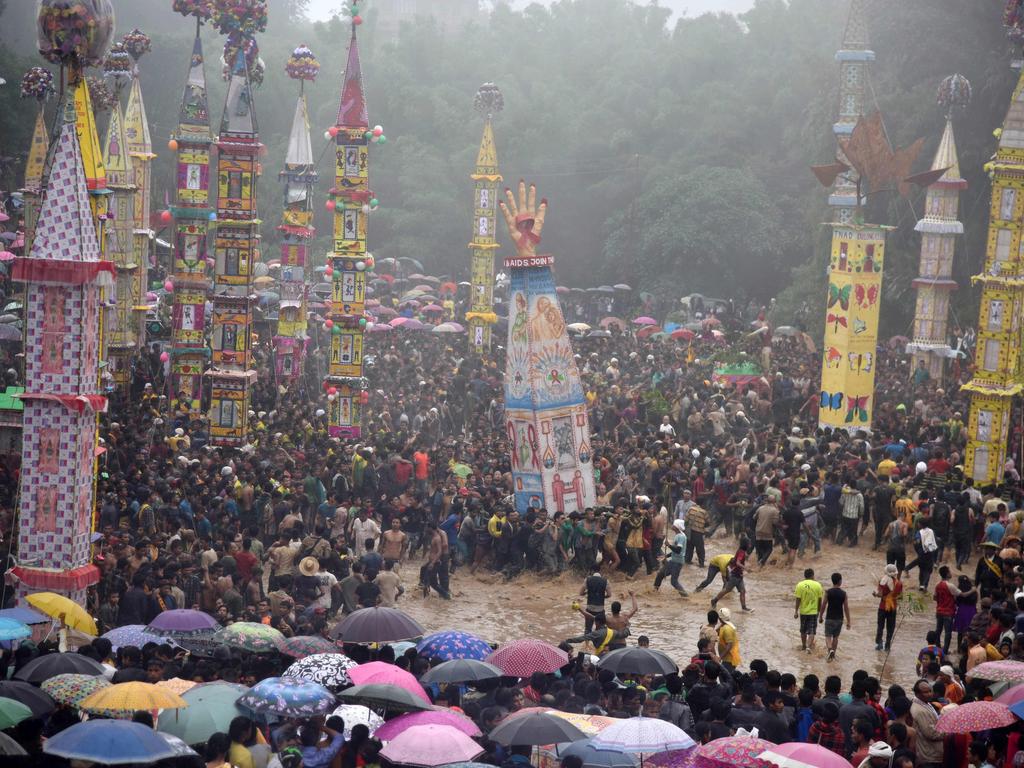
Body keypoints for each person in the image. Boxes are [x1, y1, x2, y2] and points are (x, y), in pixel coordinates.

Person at [710, 538, 752, 612]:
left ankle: (744, 607)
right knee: (726, 590)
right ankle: (714, 600)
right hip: (735, 576)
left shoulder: (741, 551)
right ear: (745, 544)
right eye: (749, 543)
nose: (750, 545)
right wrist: (746, 569)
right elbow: (738, 563)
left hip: (739, 576)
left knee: (742, 591)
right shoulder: (741, 552)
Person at [819, 571, 850, 662]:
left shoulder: (828, 592)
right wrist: (848, 621)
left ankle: (830, 649)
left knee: (828, 636)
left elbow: (823, 605)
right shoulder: (844, 594)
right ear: (840, 581)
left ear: (832, 581)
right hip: (839, 619)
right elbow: (846, 608)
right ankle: (833, 655)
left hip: (829, 618)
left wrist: (820, 616)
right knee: (835, 637)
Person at [653, 519, 688, 595]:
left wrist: (669, 545)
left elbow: (678, 550)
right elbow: (675, 551)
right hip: (673, 561)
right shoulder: (678, 536)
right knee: (660, 574)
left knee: (674, 581)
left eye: (673, 524)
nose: (672, 525)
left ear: (677, 527)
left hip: (677, 562)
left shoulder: (681, 537)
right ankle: (654, 591)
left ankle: (685, 595)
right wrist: (666, 556)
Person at [793, 567, 823, 653]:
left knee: (803, 630)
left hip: (803, 612)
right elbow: (820, 600)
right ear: (812, 575)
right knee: (812, 631)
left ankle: (803, 646)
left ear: (805, 576)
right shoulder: (818, 585)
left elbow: (798, 599)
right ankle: (808, 647)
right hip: (814, 612)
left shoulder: (800, 585)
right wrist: (819, 612)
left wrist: (796, 611)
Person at [873, 563, 902, 652]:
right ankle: (887, 645)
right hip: (892, 608)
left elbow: (880, 594)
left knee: (880, 626)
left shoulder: (883, 581)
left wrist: (875, 594)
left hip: (883, 607)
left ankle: (879, 643)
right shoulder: (899, 583)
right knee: (891, 627)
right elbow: (900, 597)